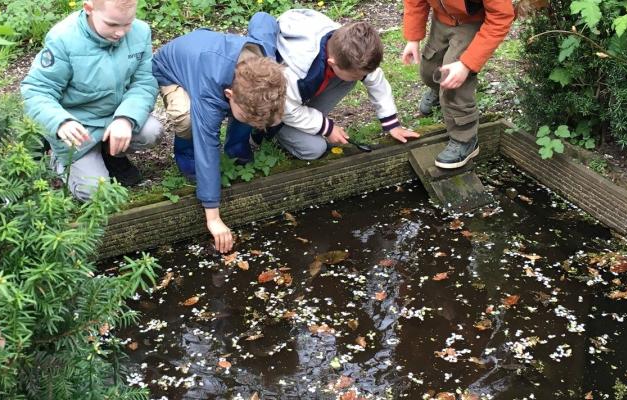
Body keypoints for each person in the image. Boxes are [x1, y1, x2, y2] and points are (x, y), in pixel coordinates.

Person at [152, 12, 287, 254]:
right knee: (187, 119)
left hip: (206, 49)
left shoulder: (265, 57)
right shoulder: (209, 90)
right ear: (228, 95)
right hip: (171, 68)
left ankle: (236, 146)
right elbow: (207, 146)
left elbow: (263, 19)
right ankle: (185, 155)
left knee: (250, 112)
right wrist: (213, 218)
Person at [21, 0, 161, 200]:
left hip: (114, 118)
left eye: (127, 23)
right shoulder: (63, 38)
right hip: (78, 128)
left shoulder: (140, 32)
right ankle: (56, 158)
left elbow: (144, 82)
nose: (121, 32)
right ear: (89, 9)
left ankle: (110, 153)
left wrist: (126, 118)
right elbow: (36, 90)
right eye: (112, 24)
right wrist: (61, 122)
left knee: (151, 131)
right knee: (98, 194)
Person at [264, 9, 420, 160]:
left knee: (349, 78)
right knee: (314, 150)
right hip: (275, 107)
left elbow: (375, 79)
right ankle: (276, 131)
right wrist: (326, 127)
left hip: (296, 97)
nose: (363, 78)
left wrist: (392, 124)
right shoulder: (298, 71)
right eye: (358, 74)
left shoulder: (348, 46)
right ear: (332, 63)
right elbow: (287, 110)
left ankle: (307, 119)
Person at [400, 0, 514, 169]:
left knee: (454, 84)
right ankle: (437, 92)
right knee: (429, 70)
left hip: (472, 23)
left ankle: (465, 140)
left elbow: (501, 17)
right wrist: (413, 38)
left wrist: (466, 64)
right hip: (442, 20)